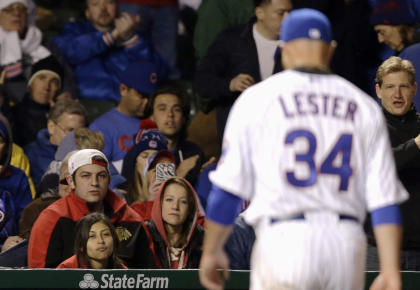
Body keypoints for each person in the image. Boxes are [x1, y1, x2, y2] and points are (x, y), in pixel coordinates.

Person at [199, 9, 408, 290]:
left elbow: (226, 192)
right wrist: (391, 268)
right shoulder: (363, 106)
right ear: (330, 50)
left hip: (283, 238)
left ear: (283, 49)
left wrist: (212, 251)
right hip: (344, 243)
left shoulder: (257, 99)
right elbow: (384, 201)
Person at [28, 149, 154, 268]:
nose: (94, 182)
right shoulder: (51, 219)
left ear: (109, 180)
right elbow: (40, 277)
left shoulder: (130, 220)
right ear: (71, 181)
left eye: (101, 176)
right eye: (86, 176)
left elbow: (151, 274)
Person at [194, 0, 292, 143]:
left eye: (290, 12)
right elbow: (202, 81)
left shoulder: (296, 46)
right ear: (260, 13)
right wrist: (229, 84)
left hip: (279, 137)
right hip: (239, 137)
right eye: (280, 13)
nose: (287, 18)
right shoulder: (230, 40)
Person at [54, 0, 168, 120]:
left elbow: (156, 73)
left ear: (118, 9)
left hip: (128, 112)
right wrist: (111, 36)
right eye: (95, 4)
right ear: (87, 13)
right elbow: (69, 52)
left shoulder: (135, 35)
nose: (103, 9)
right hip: (86, 108)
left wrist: (131, 40)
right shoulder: (74, 31)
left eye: (109, 2)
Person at [366, 56, 420, 271]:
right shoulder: (367, 126)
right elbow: (378, 165)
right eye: (390, 87)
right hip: (377, 250)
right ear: (378, 91)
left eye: (403, 86)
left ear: (414, 89)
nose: (397, 94)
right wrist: (416, 145)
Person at [0, 0, 79, 104]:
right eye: (8, 9)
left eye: (21, 9)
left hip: (47, 106)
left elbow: (65, 74)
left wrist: (67, 93)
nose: (16, 14)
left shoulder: (44, 42)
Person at [89, 61, 158, 173]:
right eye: (141, 96)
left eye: (150, 97)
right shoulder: (101, 127)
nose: (146, 102)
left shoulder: (156, 123)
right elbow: (95, 172)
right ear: (123, 89)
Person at [146, 84, 209, 185]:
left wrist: (204, 177)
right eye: (162, 109)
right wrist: (179, 174)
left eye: (176, 109)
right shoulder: (142, 154)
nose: (170, 114)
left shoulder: (194, 152)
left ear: (184, 118)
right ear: (151, 117)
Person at [24, 98, 87, 188]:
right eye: (70, 131)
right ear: (51, 127)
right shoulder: (30, 155)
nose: (75, 138)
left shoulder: (88, 153)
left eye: (80, 132)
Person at [371, 0, 420, 108]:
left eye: (382, 32)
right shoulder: (404, 54)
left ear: (399, 26)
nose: (380, 39)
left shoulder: (412, 55)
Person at [146, 177, 204, 269]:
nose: (175, 206)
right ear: (160, 203)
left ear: (190, 209)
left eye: (183, 202)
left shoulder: (203, 240)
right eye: (169, 200)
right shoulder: (144, 235)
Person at [10, 55, 66, 147]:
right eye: (42, 78)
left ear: (58, 90)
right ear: (30, 83)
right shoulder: (12, 113)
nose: (47, 87)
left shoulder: (63, 117)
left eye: (53, 82)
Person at [117, 0, 179, 79]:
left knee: (167, 63)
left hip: (168, 4)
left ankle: (167, 89)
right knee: (124, 61)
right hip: (130, 3)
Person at [57, 212, 126, 269]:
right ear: (81, 245)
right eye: (92, 236)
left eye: (106, 234)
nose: (101, 241)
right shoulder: (66, 269)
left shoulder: (122, 271)